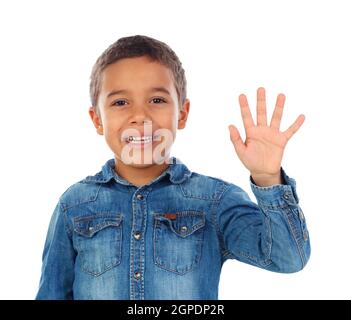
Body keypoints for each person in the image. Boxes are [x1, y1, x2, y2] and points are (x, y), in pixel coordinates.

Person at [36, 35, 310, 300]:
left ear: (182, 113)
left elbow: (288, 258)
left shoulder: (213, 201)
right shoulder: (74, 205)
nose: (140, 115)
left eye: (157, 100)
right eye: (120, 102)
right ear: (97, 119)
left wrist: (267, 178)